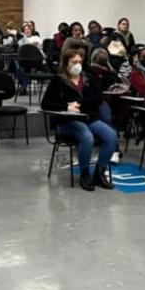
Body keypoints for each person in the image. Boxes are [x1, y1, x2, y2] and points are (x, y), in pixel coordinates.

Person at [40, 48, 116, 192]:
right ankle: (84, 174)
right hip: (66, 121)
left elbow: (98, 98)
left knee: (111, 136)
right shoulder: (58, 80)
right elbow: (46, 104)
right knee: (86, 136)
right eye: (74, 62)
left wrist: (83, 105)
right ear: (66, 63)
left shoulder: (89, 78)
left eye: (79, 62)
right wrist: (66, 107)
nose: (77, 65)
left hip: (89, 117)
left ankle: (100, 172)